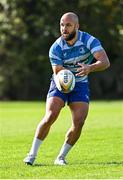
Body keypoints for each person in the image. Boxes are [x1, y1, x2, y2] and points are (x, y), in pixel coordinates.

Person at [23, 12, 110, 166]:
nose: (64, 28)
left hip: (81, 83)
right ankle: (32, 154)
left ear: (77, 26)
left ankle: (61, 157)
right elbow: (59, 72)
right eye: (62, 25)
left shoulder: (89, 40)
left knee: (79, 121)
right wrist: (66, 82)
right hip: (60, 81)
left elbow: (104, 62)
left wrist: (90, 67)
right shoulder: (55, 48)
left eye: (68, 25)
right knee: (51, 115)